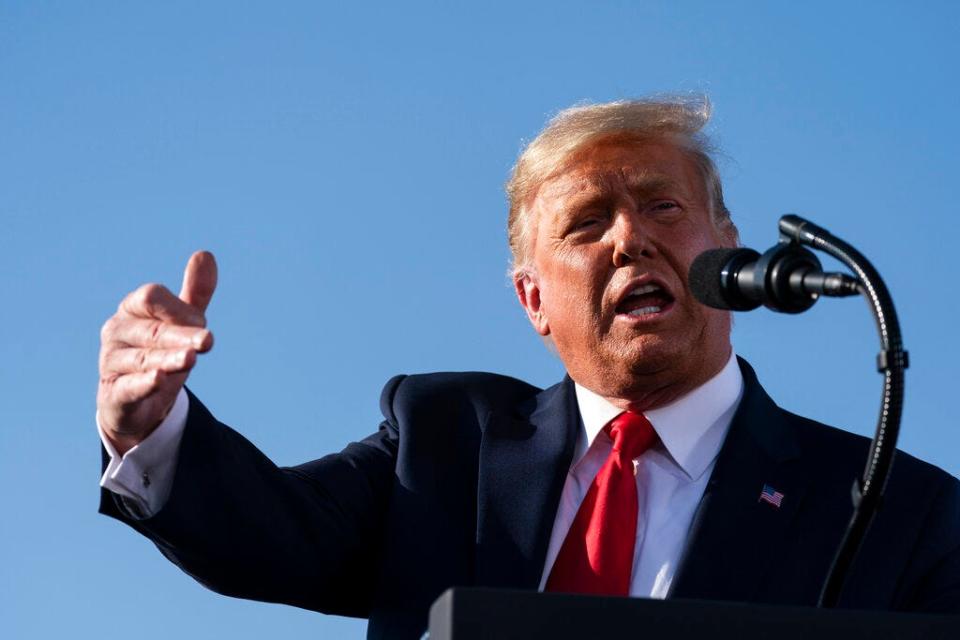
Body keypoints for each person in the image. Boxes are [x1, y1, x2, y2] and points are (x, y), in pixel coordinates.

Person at [97, 97, 960, 639]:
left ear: (726, 250)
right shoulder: (442, 445)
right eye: (587, 225)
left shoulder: (897, 508)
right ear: (533, 301)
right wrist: (151, 428)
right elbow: (271, 535)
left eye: (663, 206)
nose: (631, 237)